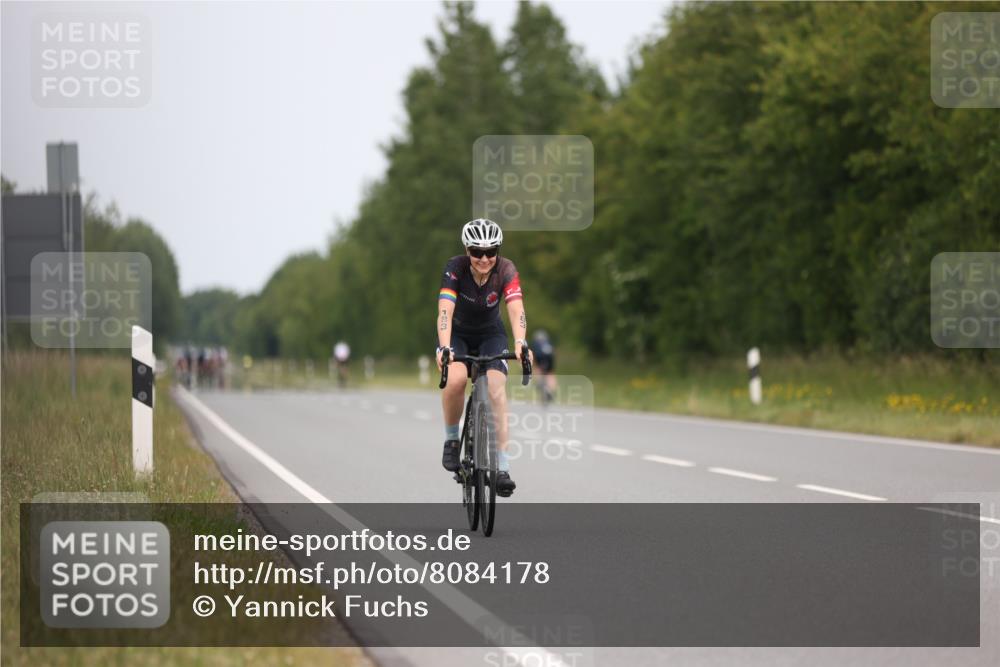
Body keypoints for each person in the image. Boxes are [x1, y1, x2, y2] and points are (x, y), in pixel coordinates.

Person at [436, 218, 531, 497]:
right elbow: (445, 311)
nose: (484, 258)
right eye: (477, 252)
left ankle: (502, 468)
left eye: (491, 252)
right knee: (455, 380)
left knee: (496, 390)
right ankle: (452, 441)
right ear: (468, 250)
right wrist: (444, 347)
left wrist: (520, 342)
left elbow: (517, 309)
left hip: (491, 334)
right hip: (457, 336)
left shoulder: (506, 269)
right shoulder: (455, 268)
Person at [530, 329, 557, 405]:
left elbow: (533, 355)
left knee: (536, 368)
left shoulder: (535, 343)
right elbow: (553, 352)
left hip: (539, 356)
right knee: (550, 373)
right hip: (550, 357)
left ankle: (539, 382)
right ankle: (551, 390)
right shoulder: (548, 342)